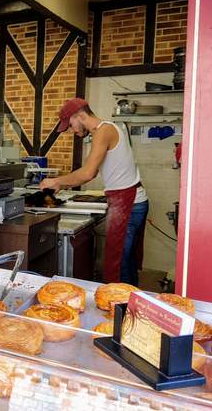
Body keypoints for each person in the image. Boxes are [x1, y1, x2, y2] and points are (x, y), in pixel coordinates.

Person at [39, 98, 149, 286]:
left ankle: (119, 310)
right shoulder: (103, 131)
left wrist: (56, 181)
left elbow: (88, 173)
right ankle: (129, 308)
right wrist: (62, 184)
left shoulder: (103, 131)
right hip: (130, 201)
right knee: (125, 261)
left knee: (118, 264)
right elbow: (93, 170)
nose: (72, 130)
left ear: (80, 115)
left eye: (71, 125)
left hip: (127, 204)